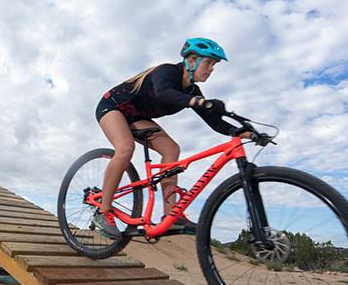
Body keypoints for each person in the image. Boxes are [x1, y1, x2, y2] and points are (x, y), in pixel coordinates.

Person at [93, 38, 247, 239]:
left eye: (214, 65)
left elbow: (216, 123)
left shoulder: (192, 91)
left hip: (137, 117)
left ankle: (170, 215)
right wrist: (198, 102)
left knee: (171, 150)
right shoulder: (167, 72)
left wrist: (247, 133)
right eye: (208, 62)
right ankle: (103, 212)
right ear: (191, 60)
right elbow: (164, 93)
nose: (211, 69)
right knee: (125, 148)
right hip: (112, 107)